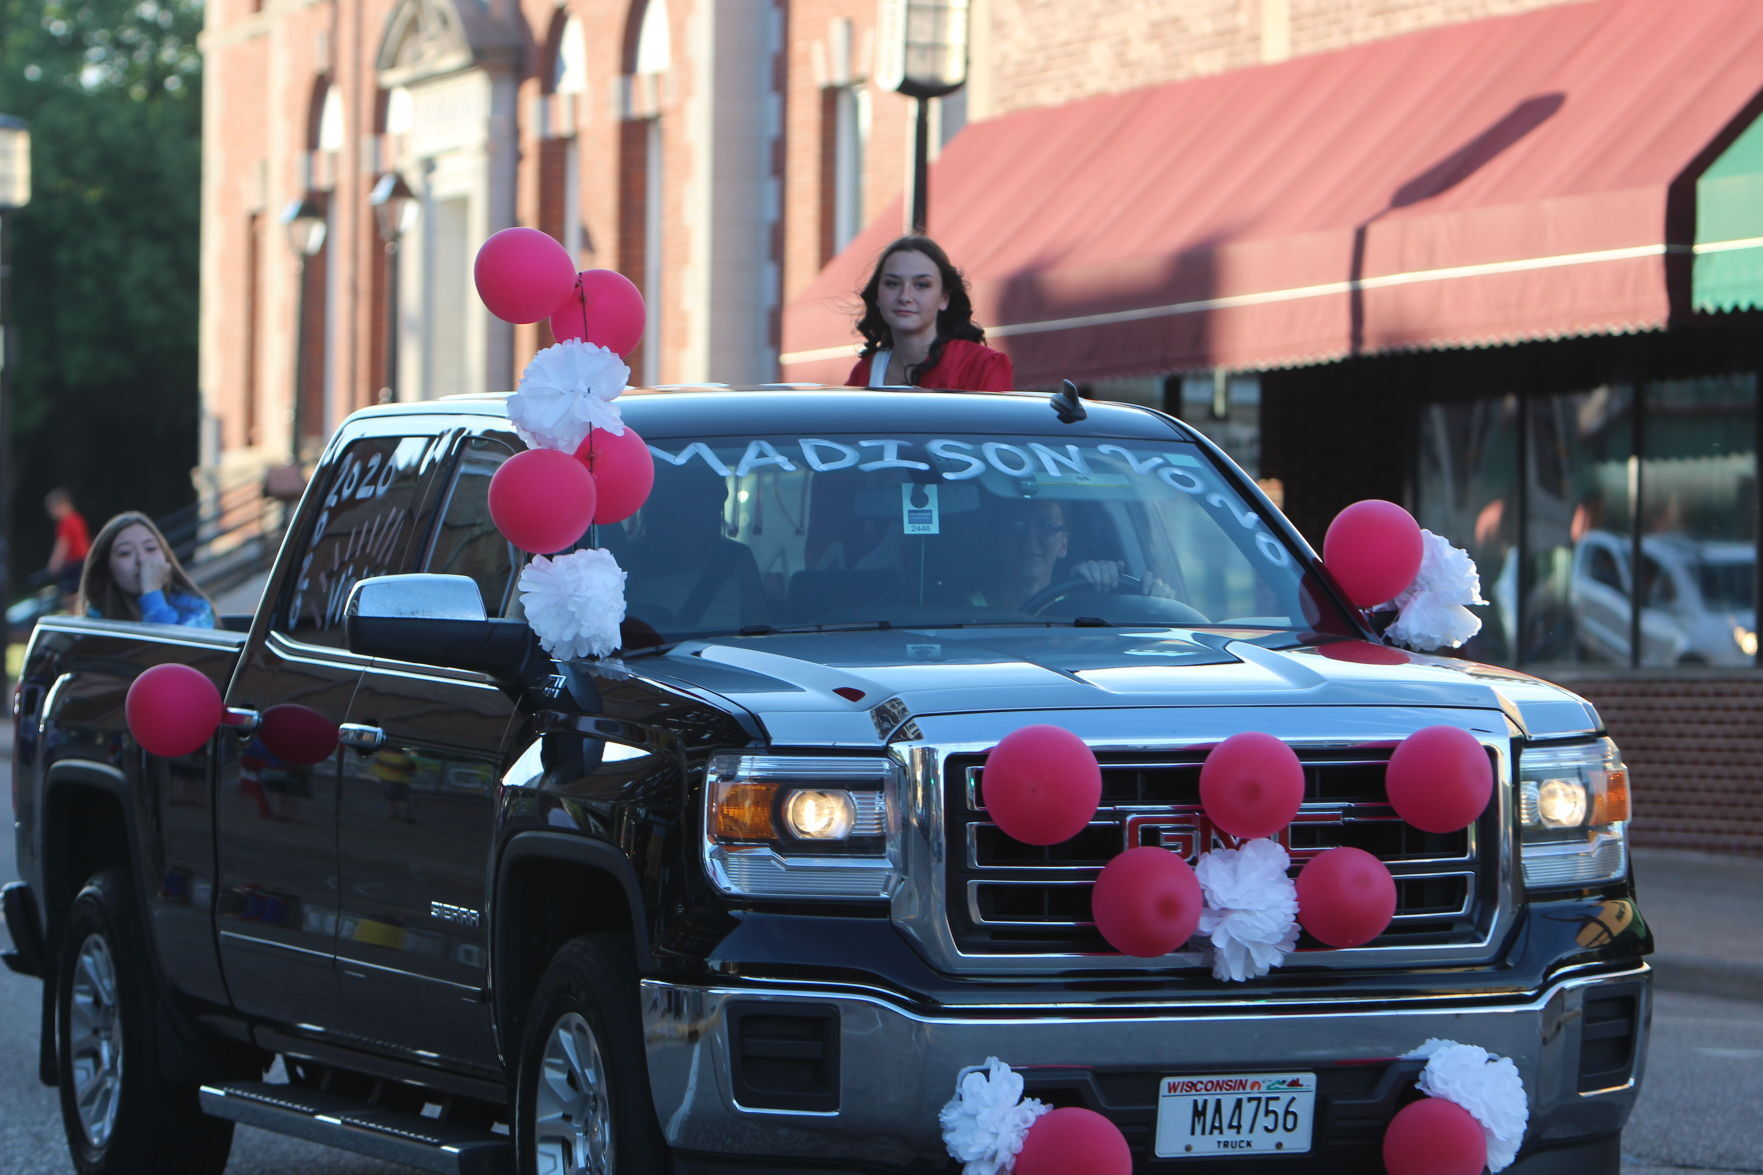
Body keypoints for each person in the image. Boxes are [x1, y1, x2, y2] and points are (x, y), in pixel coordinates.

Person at [846, 236, 1014, 391]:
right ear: (876, 295)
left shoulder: (982, 365)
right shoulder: (863, 374)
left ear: (944, 298)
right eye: (892, 284)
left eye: (921, 285)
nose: (905, 296)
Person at [974, 497, 1175, 611]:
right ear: (998, 538)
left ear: (1064, 544)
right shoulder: (964, 612)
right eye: (1017, 525)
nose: (1030, 538)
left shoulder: (1085, 612)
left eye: (1046, 526)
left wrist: (1156, 603)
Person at [79, 511, 216, 627]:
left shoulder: (196, 609)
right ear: (107, 570)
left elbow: (169, 652)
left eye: (150, 548)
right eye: (125, 553)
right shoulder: (96, 621)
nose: (142, 559)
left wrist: (152, 593)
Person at [44, 488, 91, 609]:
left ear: (62, 504)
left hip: (73, 565)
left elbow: (63, 545)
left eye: (53, 508)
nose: (51, 512)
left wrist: (54, 565)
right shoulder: (78, 519)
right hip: (83, 562)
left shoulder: (66, 523)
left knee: (69, 599)